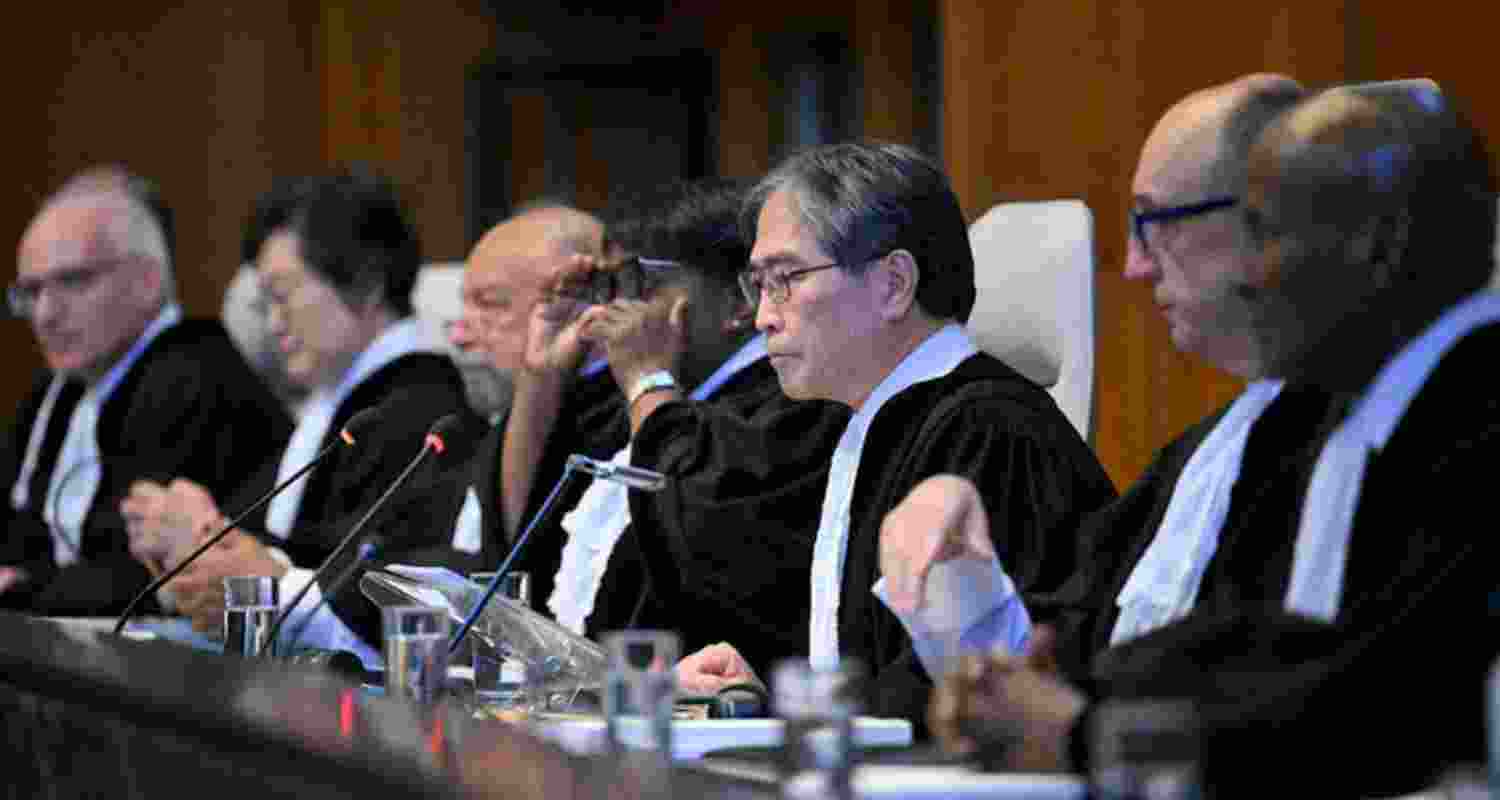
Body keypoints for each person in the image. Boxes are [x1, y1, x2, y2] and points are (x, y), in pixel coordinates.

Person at [928, 83, 1500, 797]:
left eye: (1269, 234)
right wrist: (1073, 682)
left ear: (1375, 246)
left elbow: (1390, 703)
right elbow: (1261, 639)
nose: (1250, 274)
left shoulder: (1476, 416)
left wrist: (1084, 730)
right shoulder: (1357, 409)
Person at [661, 143, 1116, 729]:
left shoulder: (992, 430)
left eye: (786, 280)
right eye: (759, 285)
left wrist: (796, 716)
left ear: (894, 284)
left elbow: (966, 692)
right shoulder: (871, 422)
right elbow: (879, 672)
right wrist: (771, 699)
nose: (762, 317)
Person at [881, 75, 1309, 674]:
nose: (1134, 266)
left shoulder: (1344, 453)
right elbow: (1046, 667)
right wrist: (959, 577)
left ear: (1263, 219)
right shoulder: (1197, 457)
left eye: (1154, 221)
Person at [124, 168, 473, 664]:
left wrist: (211, 539)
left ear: (366, 284)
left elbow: (370, 582)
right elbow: (274, 541)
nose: (273, 323)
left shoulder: (421, 412)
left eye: (282, 295)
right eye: (265, 303)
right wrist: (191, 540)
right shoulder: (333, 405)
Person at [538, 177, 850, 669]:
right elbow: (524, 545)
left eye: (639, 282)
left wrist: (647, 382)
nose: (608, 309)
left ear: (740, 302)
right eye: (607, 285)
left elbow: (699, 550)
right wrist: (541, 374)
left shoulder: (794, 405)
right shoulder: (640, 391)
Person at [0, 166, 292, 615]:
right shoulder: (56, 390)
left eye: (72, 281)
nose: (45, 314)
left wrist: (25, 589)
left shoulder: (198, 377)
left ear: (148, 281)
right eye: (31, 291)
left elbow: (139, 573)